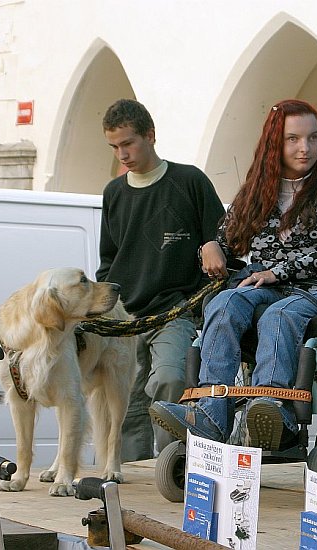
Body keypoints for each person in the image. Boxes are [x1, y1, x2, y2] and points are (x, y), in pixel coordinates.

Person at [148, 99, 317, 451]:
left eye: (312, 138)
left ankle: (271, 407)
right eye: (292, 139)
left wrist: (280, 271)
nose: (305, 148)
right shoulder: (256, 192)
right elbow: (227, 239)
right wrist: (210, 247)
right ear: (275, 143)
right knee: (226, 301)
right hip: (265, 284)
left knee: (279, 314)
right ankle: (210, 414)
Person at [98, 98, 226, 461]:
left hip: (176, 311)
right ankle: (129, 473)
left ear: (150, 136)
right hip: (125, 317)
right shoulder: (114, 192)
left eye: (128, 143)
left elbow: (224, 237)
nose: (122, 154)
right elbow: (108, 260)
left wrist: (212, 244)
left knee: (169, 379)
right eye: (114, 147)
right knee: (123, 398)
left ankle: (172, 465)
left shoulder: (189, 180)